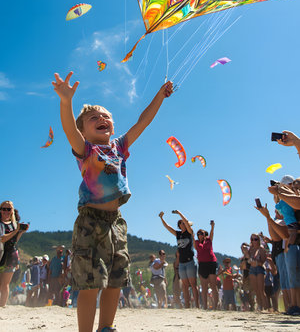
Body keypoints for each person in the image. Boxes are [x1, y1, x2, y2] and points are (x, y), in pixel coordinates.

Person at [52, 70, 173, 332]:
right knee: (91, 284)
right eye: (93, 118)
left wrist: (160, 97)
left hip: (117, 223)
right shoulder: (85, 149)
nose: (101, 119)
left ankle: (106, 327)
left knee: (115, 282)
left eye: (106, 116)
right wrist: (66, 101)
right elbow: (69, 129)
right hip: (90, 222)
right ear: (84, 129)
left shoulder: (119, 147)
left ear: (112, 126)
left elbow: (142, 122)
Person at [158, 210, 199, 308]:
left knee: (193, 284)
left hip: (189, 261)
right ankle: (188, 306)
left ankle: (197, 305)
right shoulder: (178, 234)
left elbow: (187, 221)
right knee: (184, 285)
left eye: (185, 223)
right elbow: (168, 227)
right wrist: (161, 218)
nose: (184, 224)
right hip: (182, 262)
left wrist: (179, 213)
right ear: (180, 225)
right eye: (182, 223)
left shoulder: (189, 233)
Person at [0, 201, 29, 307]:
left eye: (9, 209)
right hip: (1, 253)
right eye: (4, 209)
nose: (6, 211)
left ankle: (2, 306)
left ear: (12, 211)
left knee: (5, 284)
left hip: (11, 255)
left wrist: (20, 232)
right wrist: (16, 230)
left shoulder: (14, 224)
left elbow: (14, 241)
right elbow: (2, 239)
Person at [194, 221, 218, 310]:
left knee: (213, 285)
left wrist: (212, 226)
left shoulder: (209, 240)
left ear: (205, 235)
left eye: (203, 233)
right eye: (199, 233)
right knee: (204, 287)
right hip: (202, 264)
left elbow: (212, 234)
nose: (201, 235)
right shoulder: (196, 242)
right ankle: (205, 306)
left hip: (211, 263)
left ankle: (215, 306)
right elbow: (192, 235)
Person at [245, 234, 268, 310]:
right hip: (252, 269)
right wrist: (249, 259)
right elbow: (247, 259)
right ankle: (260, 307)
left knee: (261, 290)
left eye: (256, 239)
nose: (254, 241)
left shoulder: (261, 249)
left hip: (259, 268)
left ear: (259, 240)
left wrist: (257, 263)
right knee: (256, 290)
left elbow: (263, 261)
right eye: (252, 239)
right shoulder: (250, 249)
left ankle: (266, 308)